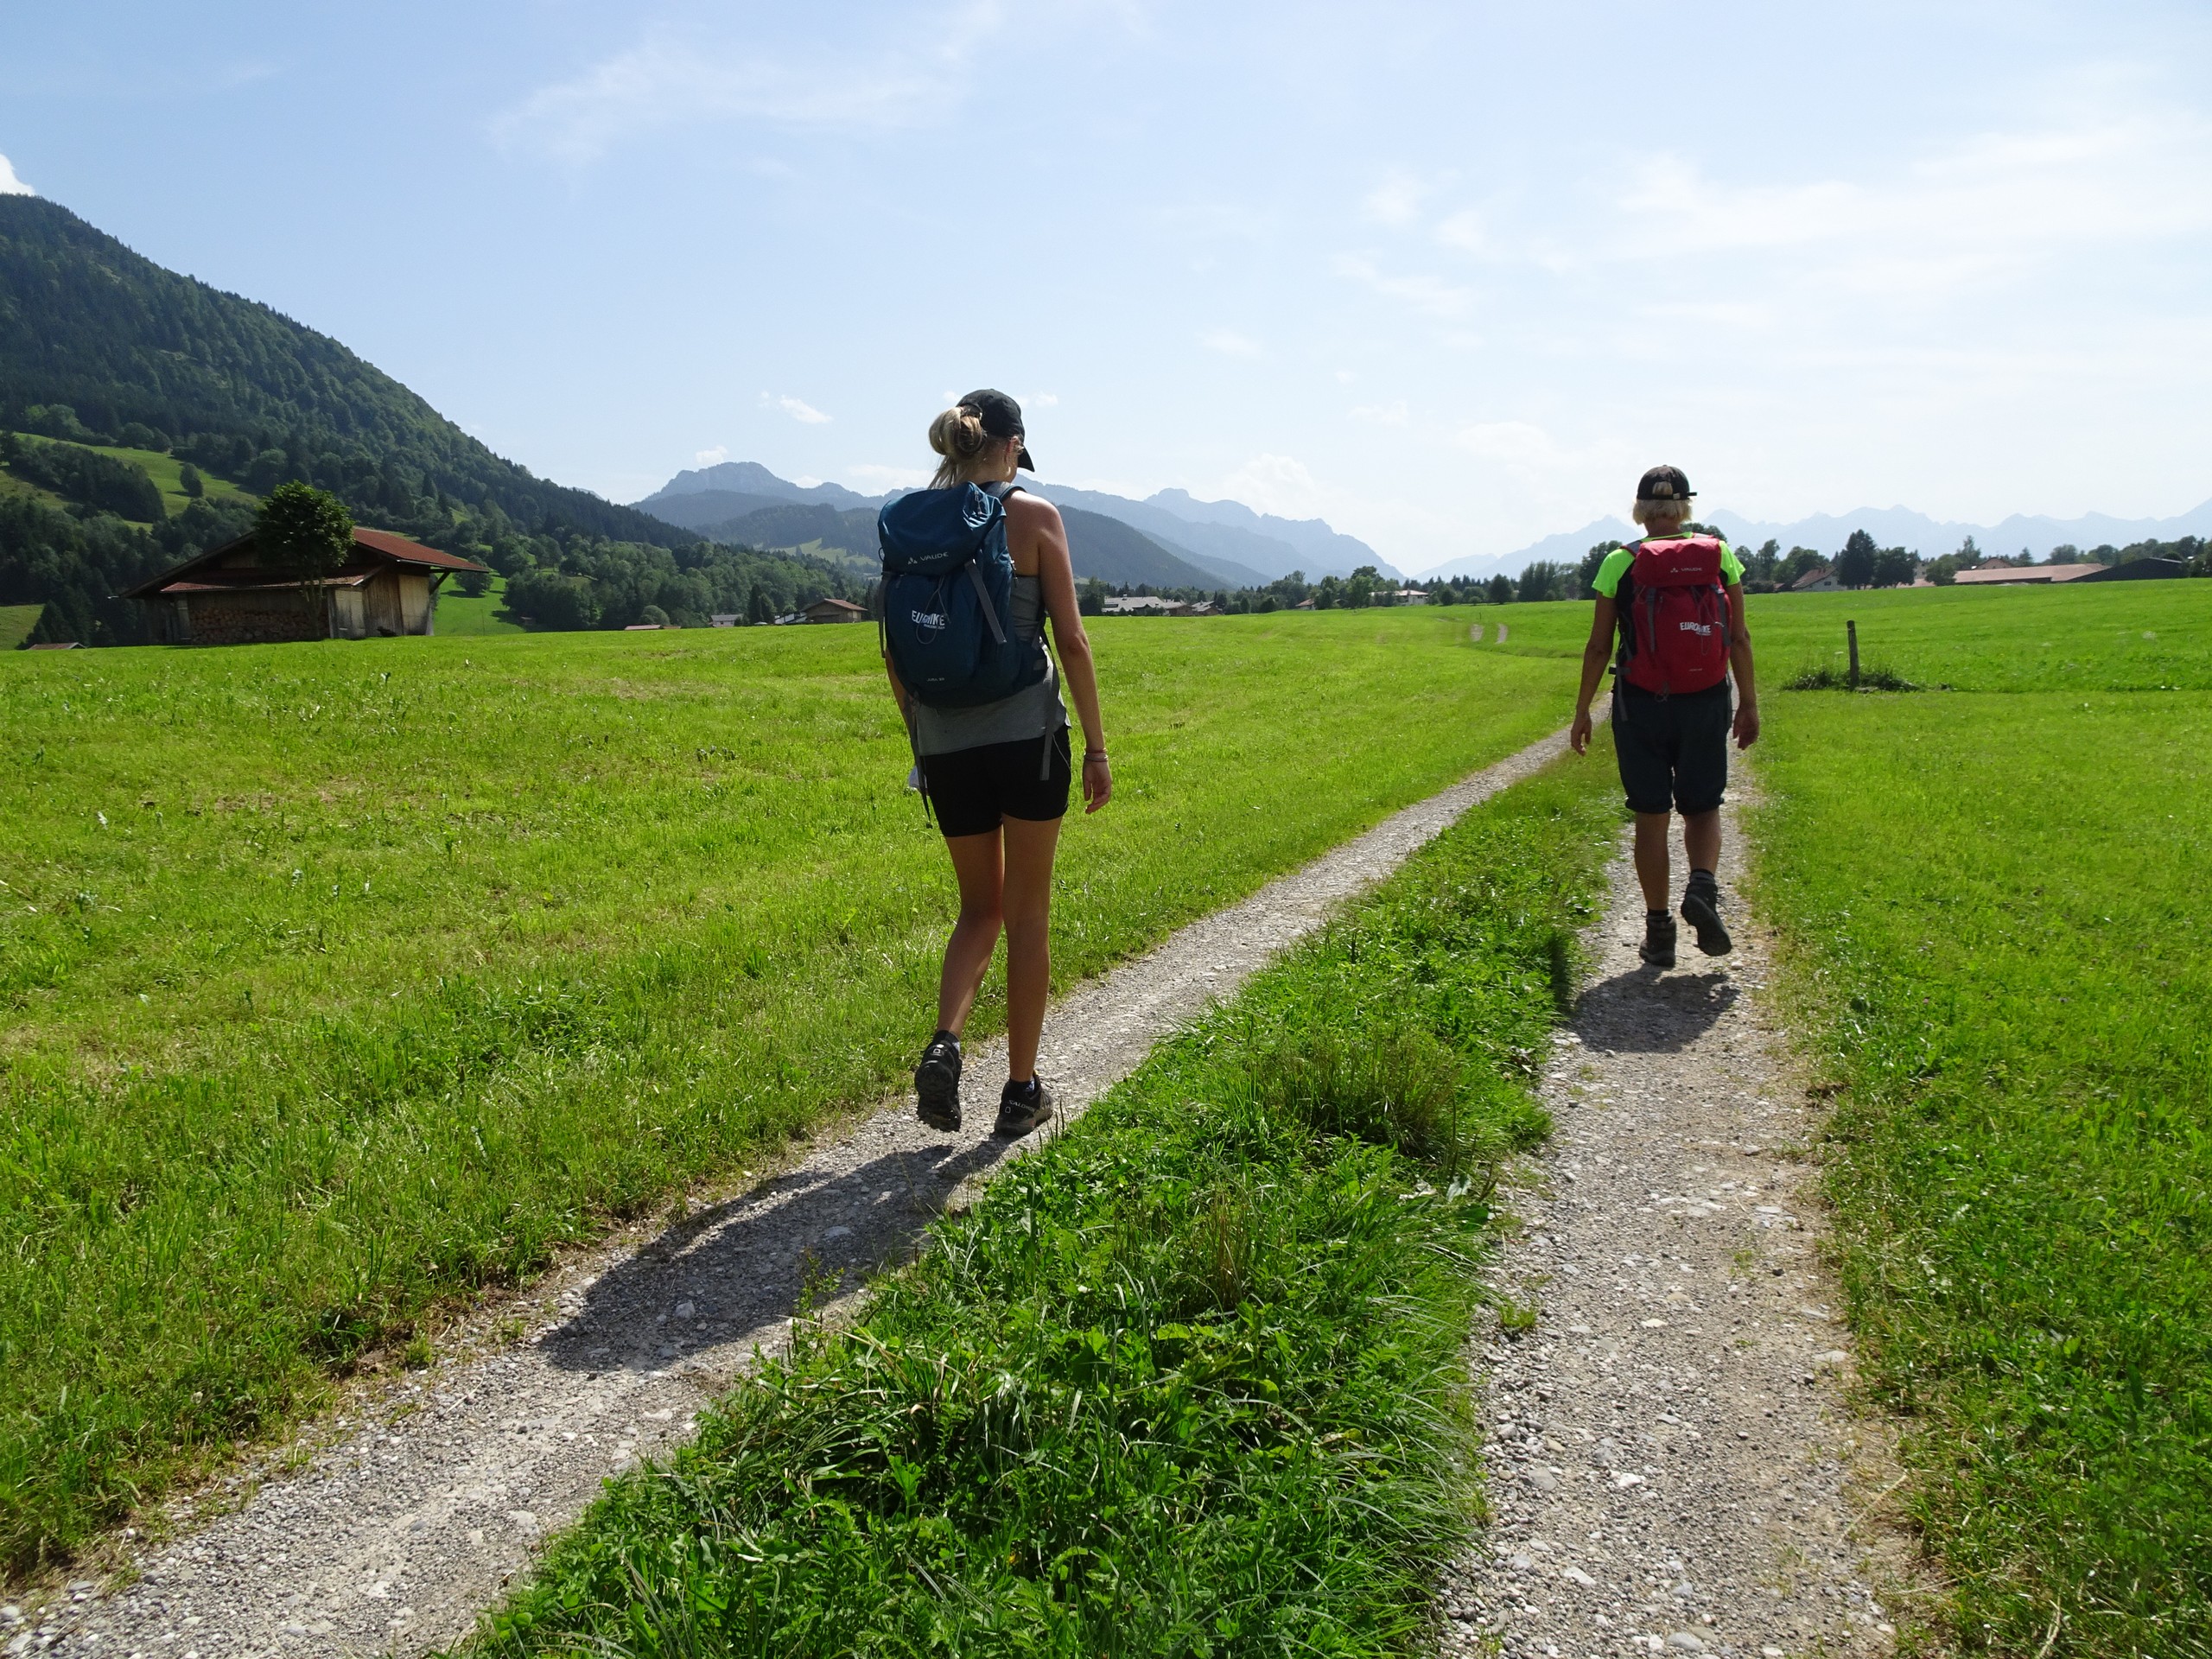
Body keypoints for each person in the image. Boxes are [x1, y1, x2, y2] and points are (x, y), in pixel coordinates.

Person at [885, 391, 1111, 1137]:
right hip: (1027, 739)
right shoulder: (1035, 516)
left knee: (977, 910)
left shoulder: (915, 523)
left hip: (946, 747)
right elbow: (1073, 642)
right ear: (1012, 446)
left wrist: (925, 739)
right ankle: (1020, 1091)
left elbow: (894, 650)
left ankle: (946, 1043)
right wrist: (1100, 749)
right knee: (1028, 914)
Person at [1568, 465, 1759, 969]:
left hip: (1641, 704)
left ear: (1640, 511)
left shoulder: (1618, 562)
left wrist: (1584, 709)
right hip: (1706, 698)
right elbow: (1738, 636)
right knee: (1703, 807)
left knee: (1650, 818)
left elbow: (1597, 644)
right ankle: (1702, 885)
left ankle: (1659, 933)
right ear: (1684, 509)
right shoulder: (1720, 556)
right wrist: (1749, 703)